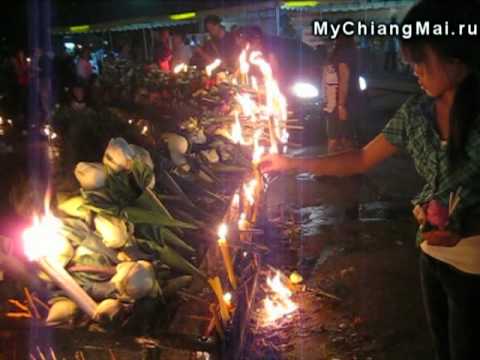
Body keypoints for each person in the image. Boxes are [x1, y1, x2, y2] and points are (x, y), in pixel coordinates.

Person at [259, 1, 480, 359]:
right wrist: (287, 162)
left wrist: (467, 225)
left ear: (456, 58)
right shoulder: (416, 113)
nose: (414, 71)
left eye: (420, 60)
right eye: (410, 61)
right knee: (444, 347)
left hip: (474, 265)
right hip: (431, 256)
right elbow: (361, 158)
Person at [322, 30, 361, 152]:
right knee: (343, 138)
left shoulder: (342, 53)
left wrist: (340, 105)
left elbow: (343, 78)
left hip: (338, 103)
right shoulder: (347, 52)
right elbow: (343, 79)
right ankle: (343, 167)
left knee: (340, 139)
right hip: (341, 103)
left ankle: (338, 168)